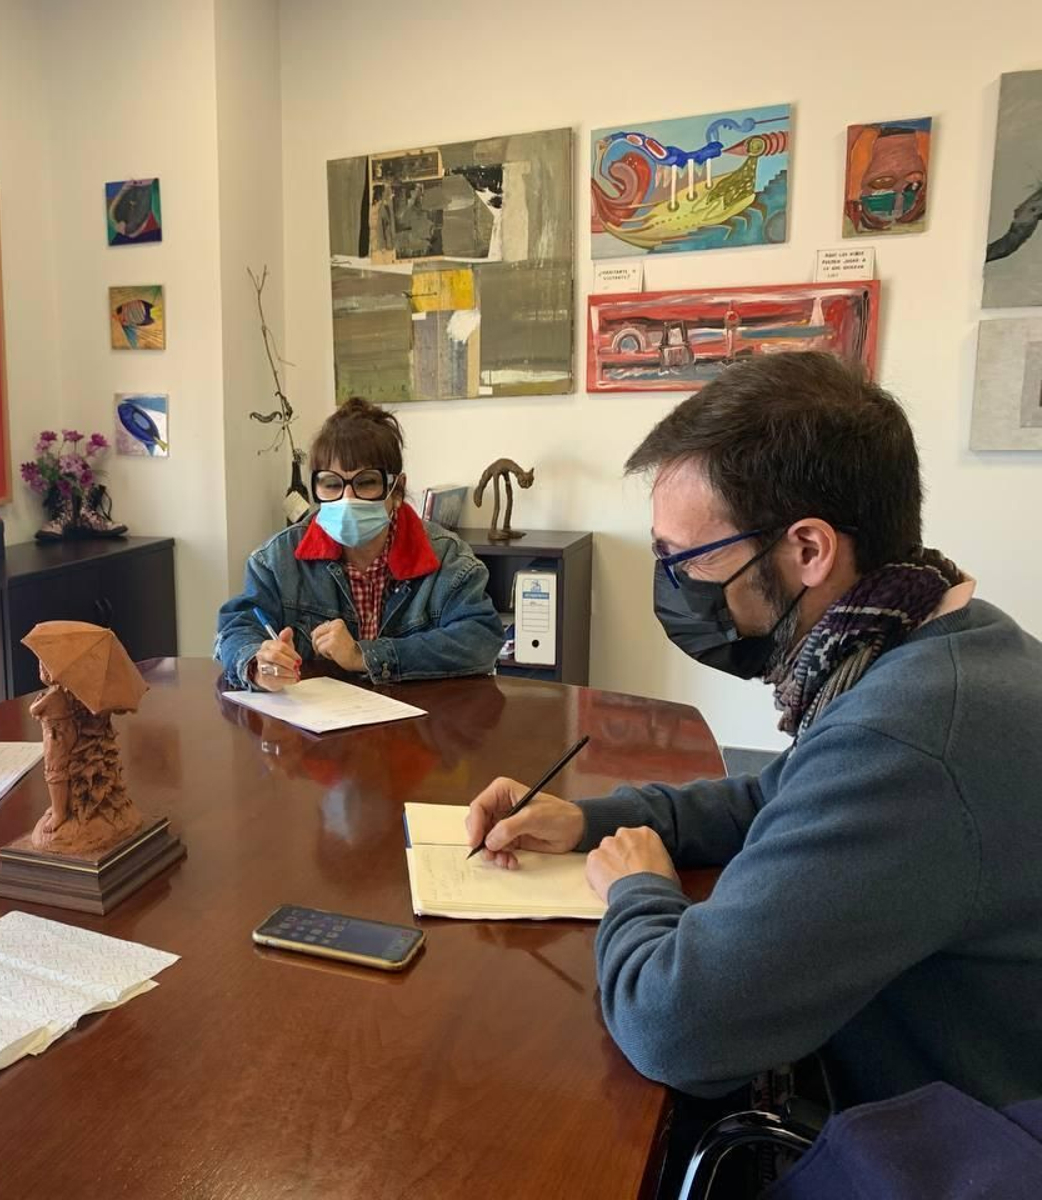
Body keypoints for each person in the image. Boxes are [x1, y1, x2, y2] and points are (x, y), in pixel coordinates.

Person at [465, 352, 1042, 1112]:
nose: (673, 590)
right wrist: (586, 820)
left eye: (687, 562)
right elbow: (782, 799)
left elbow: (676, 1029)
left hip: (943, 1139)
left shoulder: (908, 738)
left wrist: (638, 890)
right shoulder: (927, 634)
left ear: (808, 550)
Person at [215, 398, 502, 689]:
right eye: (331, 484)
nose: (347, 499)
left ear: (397, 489)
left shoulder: (447, 558)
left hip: (419, 725)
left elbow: (481, 639)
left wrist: (363, 656)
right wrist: (256, 663)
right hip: (314, 726)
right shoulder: (277, 559)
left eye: (366, 483)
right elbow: (236, 628)